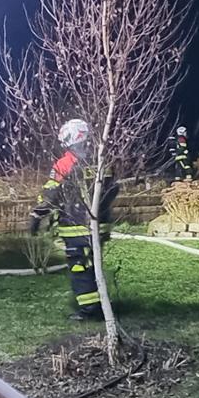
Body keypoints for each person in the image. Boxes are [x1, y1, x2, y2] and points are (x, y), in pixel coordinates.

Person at [29, 118, 117, 320]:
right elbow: (114, 189)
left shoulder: (65, 163)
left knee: (80, 268)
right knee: (93, 265)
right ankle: (101, 304)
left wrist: (37, 215)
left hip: (76, 228)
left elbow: (51, 194)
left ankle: (90, 310)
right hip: (100, 224)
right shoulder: (103, 161)